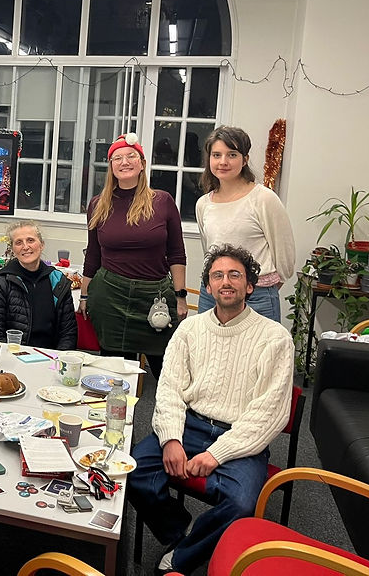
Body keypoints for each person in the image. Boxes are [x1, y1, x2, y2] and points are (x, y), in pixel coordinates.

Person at [127, 244, 295, 576]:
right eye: (217, 275)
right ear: (208, 286)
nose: (226, 281)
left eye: (235, 275)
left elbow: (269, 414)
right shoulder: (189, 330)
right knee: (133, 472)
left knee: (241, 504)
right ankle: (183, 532)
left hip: (241, 436)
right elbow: (170, 390)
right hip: (190, 426)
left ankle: (181, 557)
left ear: (249, 285)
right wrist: (172, 439)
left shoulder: (275, 338)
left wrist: (217, 454)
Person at [81, 133, 187, 377]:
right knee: (115, 377)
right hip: (110, 298)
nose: (124, 162)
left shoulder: (162, 201)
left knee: (167, 374)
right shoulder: (98, 204)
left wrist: (180, 296)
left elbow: (176, 253)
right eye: (117, 157)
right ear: (110, 166)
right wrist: (85, 296)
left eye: (131, 156)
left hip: (155, 298)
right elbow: (93, 256)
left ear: (142, 163)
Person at [195, 125, 295, 322]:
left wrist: (261, 286)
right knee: (208, 351)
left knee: (260, 352)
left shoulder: (263, 199)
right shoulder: (204, 204)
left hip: (257, 296)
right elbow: (209, 254)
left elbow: (285, 255)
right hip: (212, 296)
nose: (223, 162)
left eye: (232, 155)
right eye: (216, 155)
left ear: (245, 159)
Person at [0, 220, 77, 350]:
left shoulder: (58, 281)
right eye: (18, 242)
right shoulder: (1, 282)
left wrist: (58, 360)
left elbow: (68, 332)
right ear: (12, 249)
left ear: (42, 244)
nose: (25, 247)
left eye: (30, 240)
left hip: (51, 357)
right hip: (13, 356)